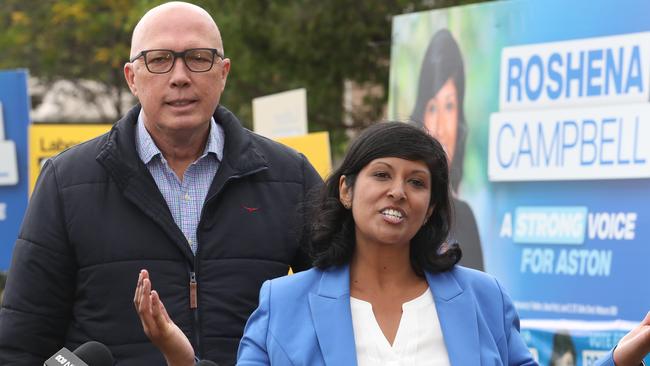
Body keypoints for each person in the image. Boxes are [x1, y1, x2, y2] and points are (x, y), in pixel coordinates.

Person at [136, 122, 650, 366]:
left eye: (418, 181)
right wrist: (180, 356)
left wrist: (621, 358)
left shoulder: (482, 298)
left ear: (431, 203)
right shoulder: (284, 301)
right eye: (381, 173)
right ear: (345, 189)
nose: (398, 191)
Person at [0, 2, 321, 365]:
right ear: (132, 77)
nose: (180, 76)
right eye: (159, 59)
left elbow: (346, 304)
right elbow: (22, 339)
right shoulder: (67, 181)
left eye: (199, 58)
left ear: (223, 72)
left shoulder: (288, 176)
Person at [410, 28, 484, 271]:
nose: (440, 127)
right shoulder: (399, 205)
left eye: (449, 106)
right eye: (432, 108)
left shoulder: (463, 217)